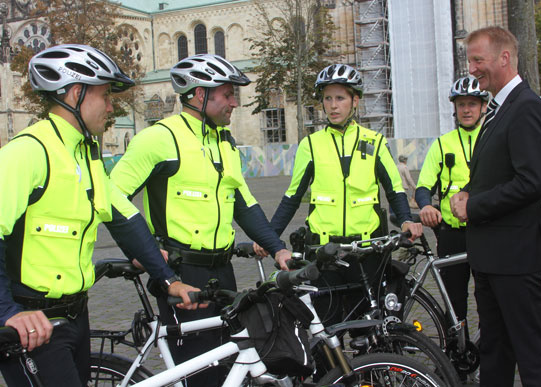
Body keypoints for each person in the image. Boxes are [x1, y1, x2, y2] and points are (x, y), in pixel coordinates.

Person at [0, 44, 199, 387]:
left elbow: (124, 221)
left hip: (76, 316)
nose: (111, 107)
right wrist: (7, 312)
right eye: (105, 96)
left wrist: (168, 279)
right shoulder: (27, 152)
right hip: (34, 325)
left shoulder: (86, 154)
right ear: (76, 94)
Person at [110, 53, 292, 386]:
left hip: (222, 272)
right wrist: (140, 250)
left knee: (227, 366)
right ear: (199, 94)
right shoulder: (158, 139)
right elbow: (111, 197)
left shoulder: (225, 143)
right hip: (182, 273)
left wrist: (278, 248)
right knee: (200, 375)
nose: (234, 103)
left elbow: (244, 204)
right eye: (227, 94)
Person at [255, 64, 422, 327]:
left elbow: (394, 189)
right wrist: (270, 237)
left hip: (367, 254)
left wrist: (405, 220)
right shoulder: (311, 145)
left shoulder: (375, 141)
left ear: (355, 101)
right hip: (325, 255)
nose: (333, 105)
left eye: (340, 98)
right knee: (327, 331)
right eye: (328, 98)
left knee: (366, 330)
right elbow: (292, 197)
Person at [450, 27, 541, 386]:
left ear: (505, 58)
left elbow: (529, 183)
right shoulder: (497, 109)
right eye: (470, 61)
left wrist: (474, 206)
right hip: (490, 258)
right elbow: (495, 174)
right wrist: (466, 193)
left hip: (514, 258)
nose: (472, 68)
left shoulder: (527, 108)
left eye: (478, 60)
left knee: (532, 354)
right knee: (495, 351)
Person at [414, 76, 488, 354]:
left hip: (486, 233)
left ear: (482, 107)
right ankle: (455, 356)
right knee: (453, 301)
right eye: (461, 105)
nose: (466, 110)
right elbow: (424, 186)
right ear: (454, 109)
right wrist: (426, 205)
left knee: (487, 298)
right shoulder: (442, 144)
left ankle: (488, 353)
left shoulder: (490, 138)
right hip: (451, 235)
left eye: (472, 104)